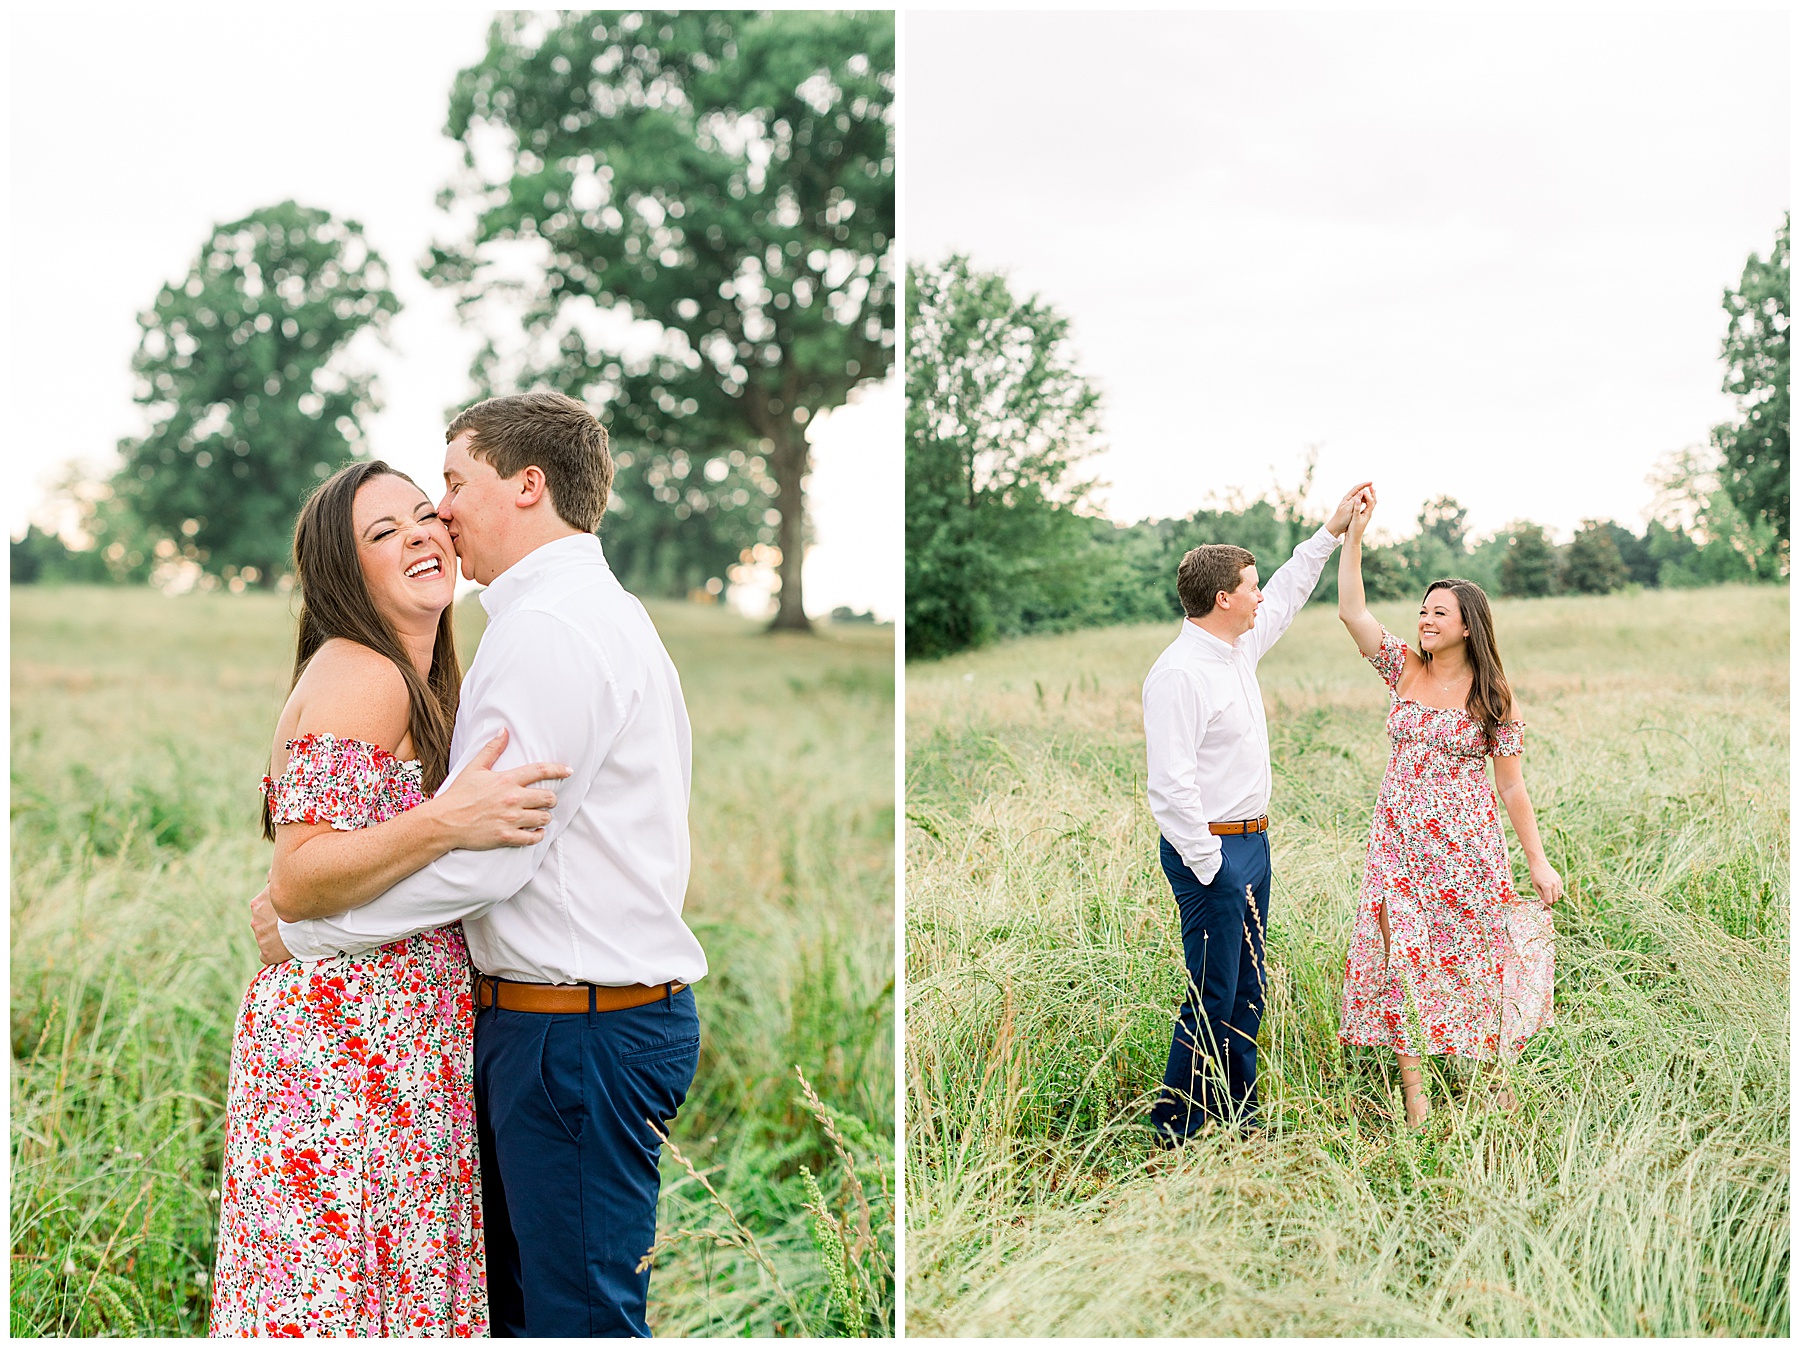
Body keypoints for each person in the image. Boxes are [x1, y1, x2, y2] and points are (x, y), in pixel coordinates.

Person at [255, 391, 709, 1337]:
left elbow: (492, 856)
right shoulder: (599, 614)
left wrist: (308, 925)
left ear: (528, 485)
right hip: (552, 1027)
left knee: (572, 1321)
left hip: (574, 1033)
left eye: (448, 489)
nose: (443, 516)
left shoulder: (543, 632)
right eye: (407, 518)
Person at [209, 459, 574, 1336]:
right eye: (383, 533)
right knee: (339, 1304)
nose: (418, 535)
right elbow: (297, 878)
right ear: (348, 573)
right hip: (345, 1058)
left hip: (399, 1048)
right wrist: (447, 823)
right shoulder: (361, 674)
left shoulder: (421, 680)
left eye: (423, 516)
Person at [1143, 482, 1371, 1145]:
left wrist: (1331, 531)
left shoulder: (1236, 649)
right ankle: (1177, 1128)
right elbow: (1170, 787)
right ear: (1224, 599)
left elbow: (1293, 588)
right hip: (1209, 851)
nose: (1260, 595)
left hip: (1252, 845)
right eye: (1250, 586)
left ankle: (1237, 1118)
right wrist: (1212, 866)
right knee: (1213, 994)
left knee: (1247, 991)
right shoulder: (1181, 673)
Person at [1334, 486, 1559, 1126]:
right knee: (1403, 960)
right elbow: (1352, 611)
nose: (1426, 620)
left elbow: (1512, 786)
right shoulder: (1403, 668)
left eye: (1440, 613)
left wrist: (1536, 863)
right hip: (1399, 847)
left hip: (1468, 850)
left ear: (1467, 625)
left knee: (1475, 960)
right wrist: (1354, 536)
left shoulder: (1493, 694)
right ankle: (1416, 1099)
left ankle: (1492, 1079)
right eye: (1423, 610)